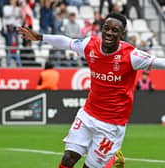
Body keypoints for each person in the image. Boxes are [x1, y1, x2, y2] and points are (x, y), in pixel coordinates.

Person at [17, 12, 165, 168]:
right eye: (106, 28)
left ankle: (110, 159)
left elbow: (160, 62)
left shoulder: (132, 56)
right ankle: (110, 158)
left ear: (123, 33)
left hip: (112, 124)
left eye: (115, 30)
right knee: (68, 157)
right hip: (88, 114)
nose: (109, 33)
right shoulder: (90, 45)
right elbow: (67, 42)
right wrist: (40, 37)